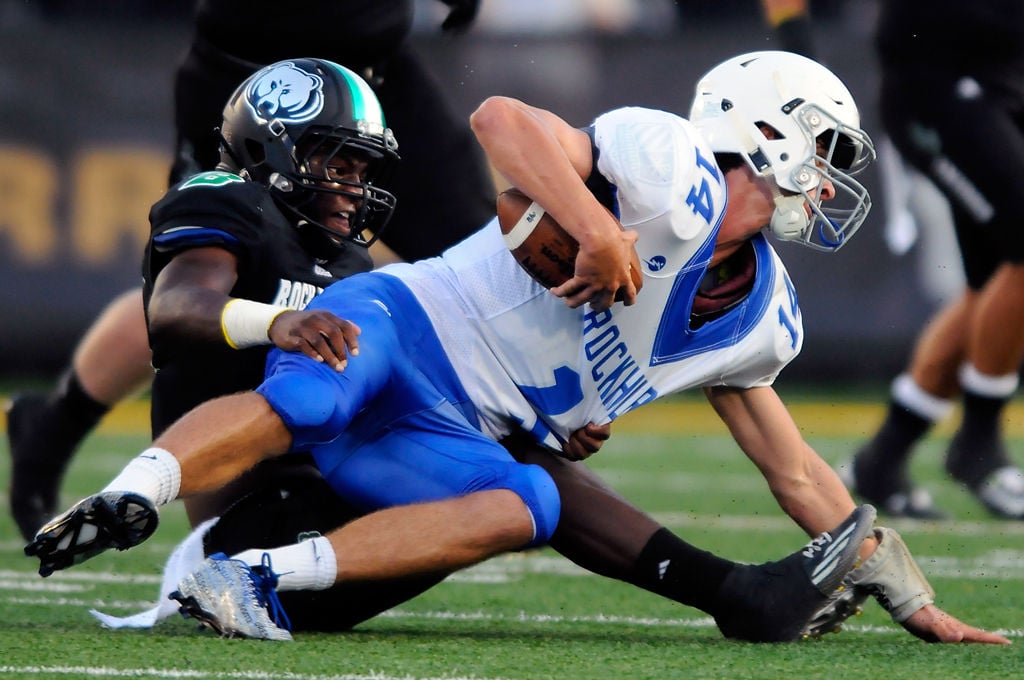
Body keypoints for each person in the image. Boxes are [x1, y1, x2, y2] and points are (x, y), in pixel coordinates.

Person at [26, 51, 1008, 646]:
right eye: (827, 156)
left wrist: (891, 573)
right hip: (407, 318)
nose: (829, 188)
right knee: (318, 394)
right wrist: (594, 222)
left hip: (456, 420)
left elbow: (791, 465)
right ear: (771, 134)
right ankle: (135, 493)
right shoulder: (670, 169)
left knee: (528, 500)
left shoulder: (764, 315)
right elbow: (499, 119)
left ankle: (256, 579)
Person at [4, 0, 494, 541]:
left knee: (476, 262)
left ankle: (497, 441)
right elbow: (180, 300)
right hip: (252, 82)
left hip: (374, 73)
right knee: (211, 267)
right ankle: (56, 431)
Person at [840, 0, 1024, 520]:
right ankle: (979, 446)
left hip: (1003, 79)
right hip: (937, 87)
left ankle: (883, 457)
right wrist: (796, 46)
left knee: (990, 284)